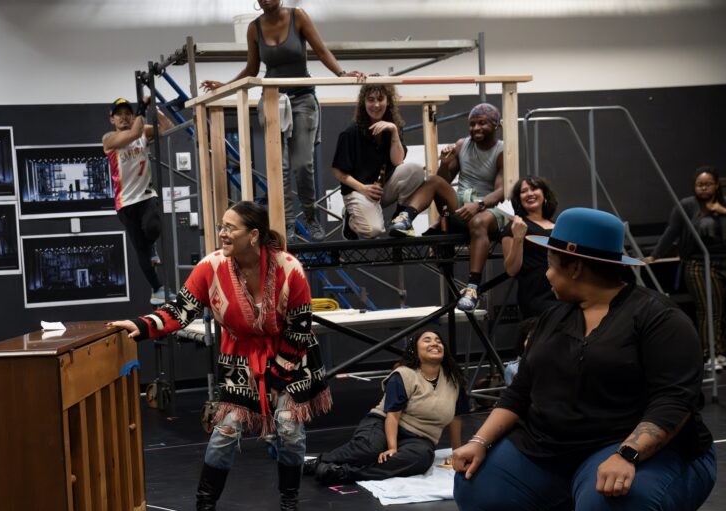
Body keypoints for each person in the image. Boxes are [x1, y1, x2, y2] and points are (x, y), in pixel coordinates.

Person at [451, 208, 716, 511]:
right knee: (478, 483)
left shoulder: (659, 319)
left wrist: (629, 453)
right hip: (555, 451)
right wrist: (479, 441)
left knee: (611, 497)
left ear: (575, 265)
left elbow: (674, 403)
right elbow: (520, 393)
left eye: (551, 262)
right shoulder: (555, 317)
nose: (547, 271)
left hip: (650, 451)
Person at [108, 200, 331, 511]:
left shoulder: (290, 268)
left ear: (254, 235)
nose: (223, 234)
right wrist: (142, 325)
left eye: (231, 228)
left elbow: (301, 329)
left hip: (291, 354)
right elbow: (180, 310)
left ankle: (290, 502)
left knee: (289, 428)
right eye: (222, 226)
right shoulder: (210, 267)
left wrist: (277, 378)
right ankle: (205, 508)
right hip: (241, 357)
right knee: (226, 431)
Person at [200, 0, 366, 241]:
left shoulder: (298, 16)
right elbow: (252, 68)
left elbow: (321, 50)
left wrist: (342, 73)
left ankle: (310, 215)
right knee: (281, 167)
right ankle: (287, 221)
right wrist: (225, 86)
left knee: (302, 164)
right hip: (273, 100)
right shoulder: (254, 28)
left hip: (302, 99)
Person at [307, 329, 464, 485]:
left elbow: (455, 417)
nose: (434, 343)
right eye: (427, 340)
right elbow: (393, 415)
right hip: (382, 424)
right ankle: (318, 463)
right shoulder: (403, 375)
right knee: (370, 450)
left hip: (420, 438)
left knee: (421, 459)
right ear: (415, 349)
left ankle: (342, 473)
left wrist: (456, 451)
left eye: (438, 341)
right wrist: (392, 447)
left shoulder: (454, 379)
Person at [646, 165, 726, 371]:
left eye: (707, 184)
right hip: (700, 263)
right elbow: (671, 232)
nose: (703, 188)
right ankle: (710, 353)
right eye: (699, 185)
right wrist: (654, 255)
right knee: (709, 308)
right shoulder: (687, 206)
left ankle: (720, 350)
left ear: (716, 185)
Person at [331, 83, 458, 239]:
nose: (376, 104)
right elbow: (337, 171)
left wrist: (393, 131)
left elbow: (398, 161)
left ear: (388, 101)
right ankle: (350, 217)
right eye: (370, 100)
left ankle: (400, 219)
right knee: (373, 231)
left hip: (382, 189)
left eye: (380, 99)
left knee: (415, 171)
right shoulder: (350, 132)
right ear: (364, 103)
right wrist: (363, 188)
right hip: (359, 190)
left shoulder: (393, 127)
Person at [436, 103, 508, 312]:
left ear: (496, 125)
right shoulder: (461, 145)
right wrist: (444, 163)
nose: (476, 128)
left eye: (482, 123)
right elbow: (443, 182)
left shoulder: (503, 150)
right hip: (462, 204)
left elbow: (503, 191)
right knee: (433, 181)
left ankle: (472, 288)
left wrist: (479, 205)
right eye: (472, 124)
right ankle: (406, 216)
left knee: (478, 222)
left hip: (490, 209)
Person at [103, 95, 173, 306]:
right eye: (119, 115)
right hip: (125, 203)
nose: (124, 118)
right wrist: (142, 108)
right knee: (140, 250)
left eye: (128, 114)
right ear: (112, 119)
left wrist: (155, 110)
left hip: (145, 196)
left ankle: (152, 247)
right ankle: (157, 289)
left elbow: (167, 129)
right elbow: (133, 133)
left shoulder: (143, 132)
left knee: (153, 227)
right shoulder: (109, 139)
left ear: (133, 116)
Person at [501, 176, 559, 318]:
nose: (529, 193)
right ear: (519, 199)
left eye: (534, 188)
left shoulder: (558, 226)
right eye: (524, 191)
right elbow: (511, 270)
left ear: (544, 194)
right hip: (536, 297)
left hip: (563, 294)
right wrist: (518, 237)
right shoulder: (514, 227)